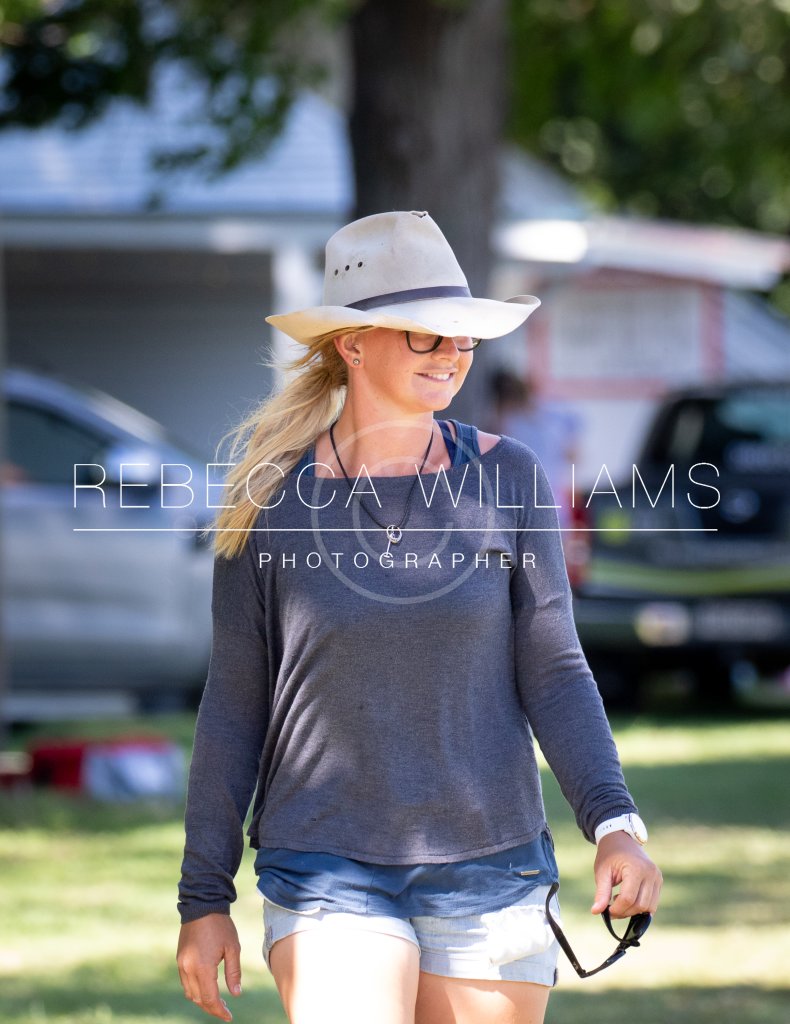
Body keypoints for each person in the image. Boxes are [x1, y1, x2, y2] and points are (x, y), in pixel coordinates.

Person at [175, 211, 662, 1024]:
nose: (453, 353)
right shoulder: (270, 498)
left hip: (494, 866)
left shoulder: (509, 478)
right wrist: (203, 897)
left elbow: (554, 668)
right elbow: (234, 703)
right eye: (426, 334)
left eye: (462, 335)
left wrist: (615, 823)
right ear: (352, 344)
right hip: (325, 866)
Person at [490, 370, 581, 531]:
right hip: (546, 500)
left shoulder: (505, 423)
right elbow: (574, 455)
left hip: (530, 501)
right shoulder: (551, 416)